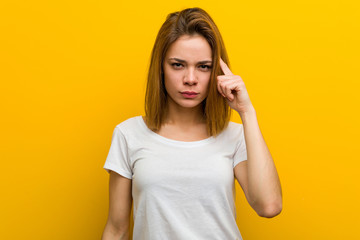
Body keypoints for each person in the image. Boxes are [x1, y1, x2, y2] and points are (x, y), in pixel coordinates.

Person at [101, 7, 282, 240]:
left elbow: (269, 206)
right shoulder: (128, 134)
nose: (190, 79)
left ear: (217, 71)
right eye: (178, 65)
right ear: (161, 68)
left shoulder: (235, 136)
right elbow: (117, 230)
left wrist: (247, 112)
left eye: (203, 66)